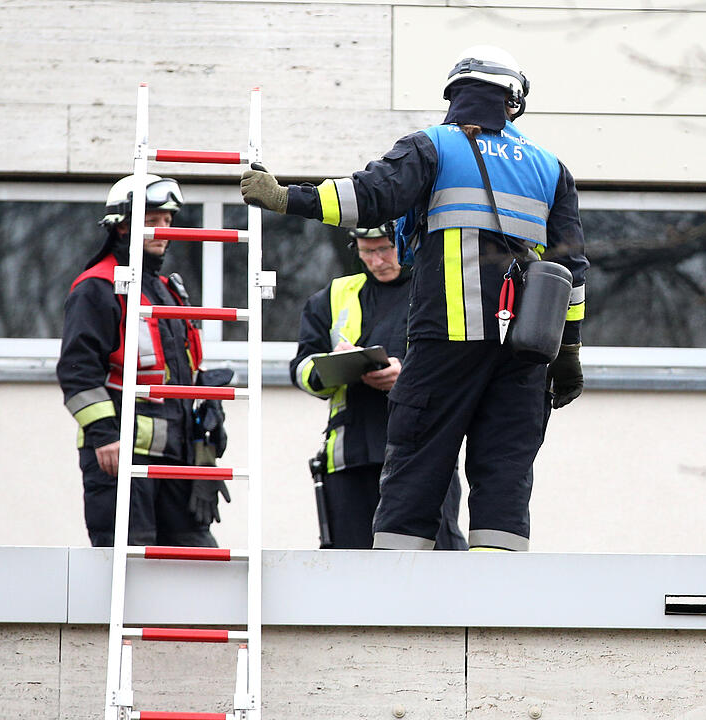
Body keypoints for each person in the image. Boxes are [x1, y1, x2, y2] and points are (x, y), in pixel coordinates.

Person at [242, 45, 588, 551]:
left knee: (418, 457)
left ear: (454, 96)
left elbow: (368, 197)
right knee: (506, 466)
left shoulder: (433, 146)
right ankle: (496, 585)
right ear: (513, 101)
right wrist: (569, 352)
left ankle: (397, 583)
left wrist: (287, 197)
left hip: (446, 334)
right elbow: (571, 271)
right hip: (525, 346)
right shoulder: (551, 167)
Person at [58, 174, 230, 547]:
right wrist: (105, 436)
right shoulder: (97, 287)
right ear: (122, 226)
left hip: (178, 461)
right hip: (121, 457)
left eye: (168, 221)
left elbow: (181, 375)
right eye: (153, 221)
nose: (163, 230)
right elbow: (78, 373)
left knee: (196, 562)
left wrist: (203, 449)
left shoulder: (167, 290)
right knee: (129, 566)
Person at [291, 224, 467, 550]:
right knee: (351, 566)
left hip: (425, 453)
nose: (377, 260)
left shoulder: (440, 293)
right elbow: (301, 368)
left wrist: (408, 376)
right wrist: (332, 366)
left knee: (436, 561)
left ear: (405, 242)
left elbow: (463, 368)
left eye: (385, 249)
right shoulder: (333, 296)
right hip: (352, 455)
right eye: (367, 251)